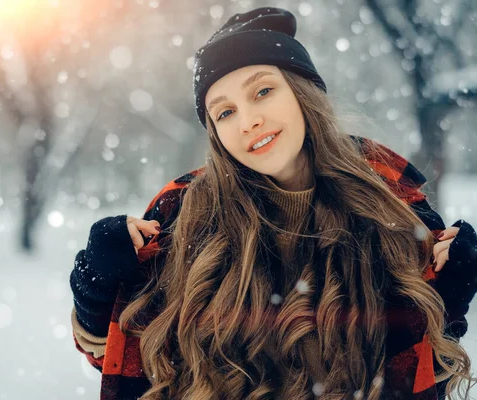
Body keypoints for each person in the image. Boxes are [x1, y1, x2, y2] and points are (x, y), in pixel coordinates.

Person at [69, 7, 477, 400]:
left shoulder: (391, 202)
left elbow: (420, 369)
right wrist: (96, 289)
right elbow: (126, 359)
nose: (248, 121)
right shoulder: (183, 213)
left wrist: (451, 298)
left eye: (262, 91)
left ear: (302, 93)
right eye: (225, 112)